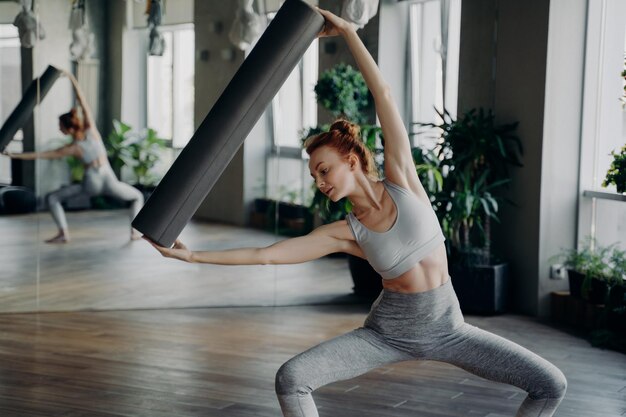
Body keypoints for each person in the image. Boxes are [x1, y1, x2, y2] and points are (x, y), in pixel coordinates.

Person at [146, 8, 567, 417]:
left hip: (450, 331)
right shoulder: (345, 232)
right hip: (386, 335)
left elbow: (383, 96)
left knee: (551, 384)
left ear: (351, 159)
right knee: (292, 377)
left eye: (324, 169)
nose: (320, 181)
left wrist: (349, 32)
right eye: (314, 176)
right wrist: (191, 256)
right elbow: (267, 254)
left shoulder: (404, 181)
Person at [3, 69, 144, 243]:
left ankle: (64, 233)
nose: (59, 129)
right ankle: (134, 232)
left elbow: (40, 155)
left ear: (68, 128)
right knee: (137, 196)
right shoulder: (91, 131)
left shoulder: (73, 148)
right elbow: (82, 100)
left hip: (91, 182)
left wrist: (13, 155)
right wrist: (71, 78)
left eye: (60, 126)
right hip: (108, 178)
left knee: (53, 198)